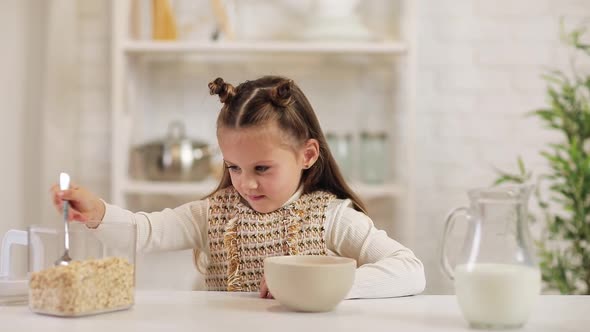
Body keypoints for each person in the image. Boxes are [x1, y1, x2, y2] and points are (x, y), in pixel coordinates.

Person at [51, 75, 425, 299]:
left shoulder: (332, 217)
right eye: (233, 166)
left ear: (307, 154)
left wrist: (317, 284)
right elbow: (147, 232)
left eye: (262, 167)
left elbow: (410, 269)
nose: (246, 182)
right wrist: (97, 213)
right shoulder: (212, 213)